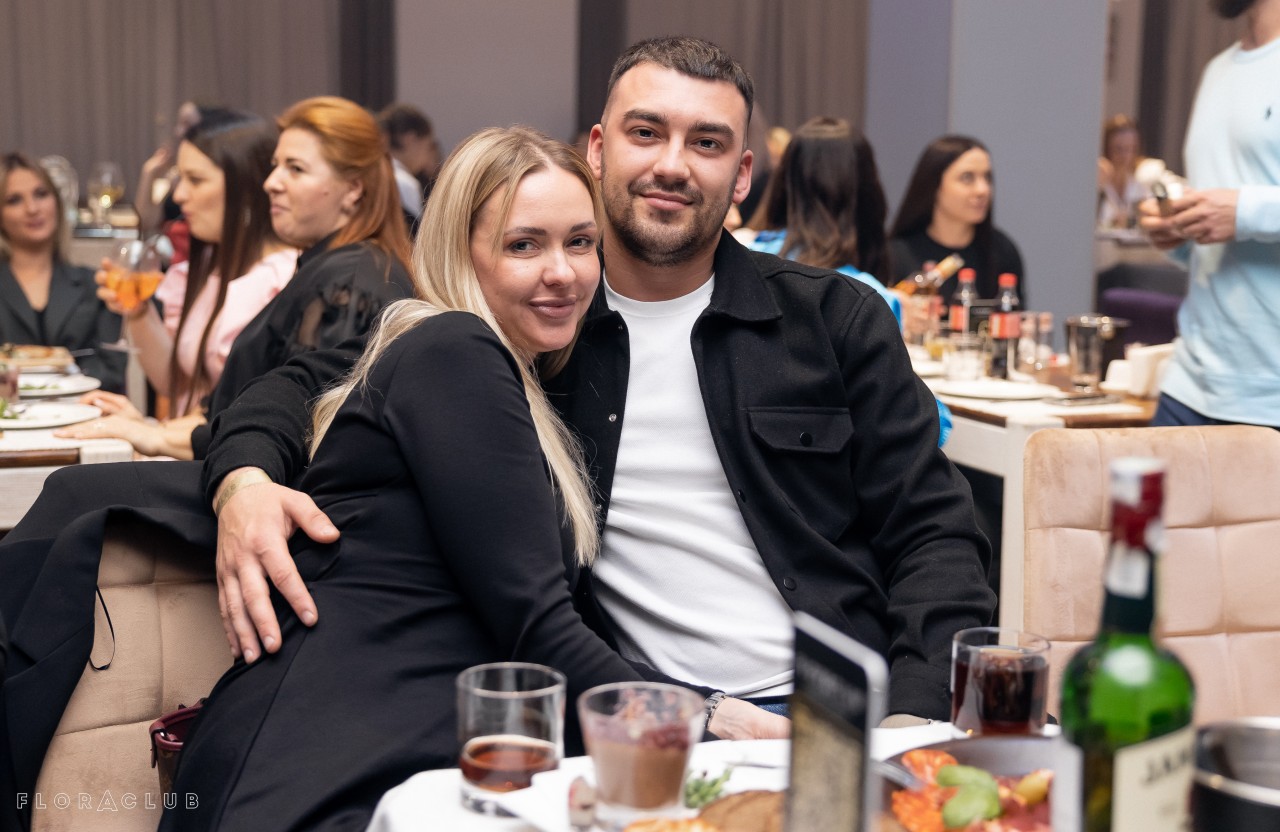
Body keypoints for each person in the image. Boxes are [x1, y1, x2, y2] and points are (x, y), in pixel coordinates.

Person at [207, 37, 995, 726]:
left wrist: (915, 715)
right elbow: (303, 385)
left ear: (743, 174)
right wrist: (243, 483)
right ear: (597, 148)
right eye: (645, 132)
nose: (671, 165)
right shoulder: (532, 320)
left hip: (839, 706)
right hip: (639, 712)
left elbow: (933, 530)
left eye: (708, 142)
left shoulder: (831, 319)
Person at [162, 125, 774, 832]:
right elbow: (539, 625)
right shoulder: (454, 350)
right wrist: (714, 717)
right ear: (461, 252)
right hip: (320, 764)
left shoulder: (506, 367)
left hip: (408, 751)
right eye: (524, 245)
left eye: (580, 242)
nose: (563, 272)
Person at [0, 96, 414, 832]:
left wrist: (190, 447)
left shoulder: (354, 277)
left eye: (295, 169)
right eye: (274, 166)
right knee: (68, 498)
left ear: (354, 190)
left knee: (72, 496)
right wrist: (174, 434)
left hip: (285, 504)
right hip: (241, 468)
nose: (272, 182)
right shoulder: (326, 266)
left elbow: (308, 421)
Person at [57, 110, 297, 457]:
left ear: (246, 186)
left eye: (195, 180)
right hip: (187, 447)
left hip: (227, 459)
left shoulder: (283, 280)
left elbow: (253, 415)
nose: (179, 195)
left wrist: (153, 432)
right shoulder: (204, 267)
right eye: (179, 178)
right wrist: (138, 312)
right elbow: (174, 382)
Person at [742, 116, 953, 445]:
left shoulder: (740, 254)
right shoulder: (863, 295)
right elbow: (914, 426)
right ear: (868, 192)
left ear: (784, 182)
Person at [1139, 0, 1280, 428]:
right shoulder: (1217, 70)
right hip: (1190, 382)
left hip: (1270, 396)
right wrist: (1177, 233)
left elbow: (1240, 212)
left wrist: (1245, 212)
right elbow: (1221, 226)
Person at [0, 153, 126, 392]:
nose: (32, 209)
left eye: (41, 194)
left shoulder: (96, 286)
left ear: (57, 202)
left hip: (84, 410)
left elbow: (112, 374)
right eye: (14, 200)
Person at [888, 135, 1025, 305]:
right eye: (967, 178)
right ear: (934, 185)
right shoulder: (896, 255)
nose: (982, 190)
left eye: (987, 177)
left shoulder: (1002, 251)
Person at [377, 102, 440, 221]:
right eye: (427, 146)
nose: (427, 156)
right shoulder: (404, 183)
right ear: (410, 139)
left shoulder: (370, 173)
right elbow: (411, 231)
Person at [1097, 114, 1155, 229]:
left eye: (1131, 149)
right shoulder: (1098, 184)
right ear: (1106, 149)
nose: (1126, 156)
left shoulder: (1141, 182)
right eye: (1118, 149)